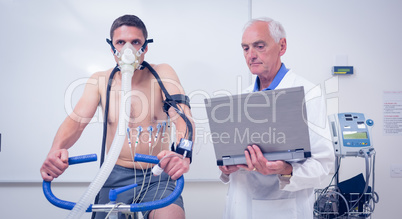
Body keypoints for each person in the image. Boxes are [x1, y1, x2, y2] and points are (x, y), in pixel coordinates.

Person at [40, 15, 194, 219]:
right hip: (115, 175)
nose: (127, 50)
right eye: (121, 42)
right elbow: (76, 122)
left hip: (157, 174)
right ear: (112, 48)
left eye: (135, 42)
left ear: (145, 48)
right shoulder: (101, 81)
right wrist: (55, 150)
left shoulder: (162, 73)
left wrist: (183, 152)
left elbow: (182, 114)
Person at [218, 17, 335, 218]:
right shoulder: (241, 99)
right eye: (245, 48)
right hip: (240, 207)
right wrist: (227, 168)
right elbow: (231, 162)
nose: (251, 55)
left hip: (283, 209)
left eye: (259, 46)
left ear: (282, 46)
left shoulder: (308, 94)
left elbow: (324, 164)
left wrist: (286, 170)